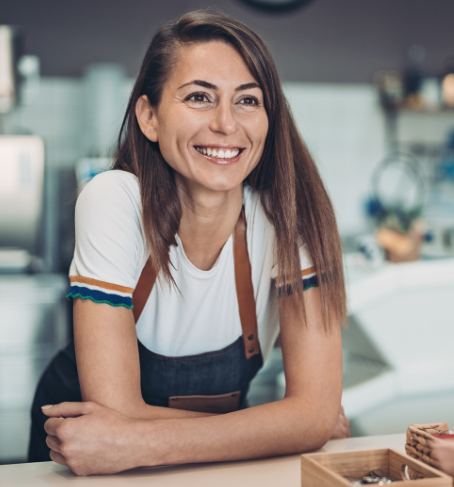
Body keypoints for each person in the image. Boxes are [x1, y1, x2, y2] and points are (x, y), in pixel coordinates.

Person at [27, 9, 349, 475]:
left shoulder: (291, 216)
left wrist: (134, 439)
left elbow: (315, 415)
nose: (225, 123)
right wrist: (283, 427)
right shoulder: (113, 199)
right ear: (149, 117)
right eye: (199, 97)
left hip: (206, 470)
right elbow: (115, 410)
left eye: (247, 101)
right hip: (81, 462)